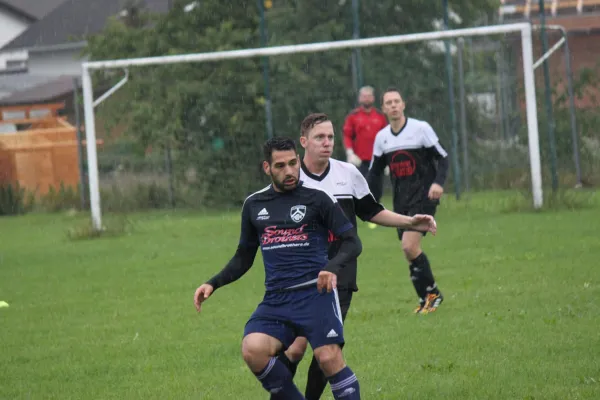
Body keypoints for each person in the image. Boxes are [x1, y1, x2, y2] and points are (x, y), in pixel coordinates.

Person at [273, 113, 438, 400]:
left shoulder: (347, 173)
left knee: (327, 351)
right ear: (303, 142)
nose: (327, 143)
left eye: (331, 137)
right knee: (295, 348)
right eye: (319, 137)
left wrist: (411, 222)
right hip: (302, 276)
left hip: (341, 275)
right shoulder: (291, 181)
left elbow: (372, 211)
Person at [194, 137, 363, 400]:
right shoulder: (254, 204)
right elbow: (244, 256)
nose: (289, 171)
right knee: (253, 348)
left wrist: (331, 267)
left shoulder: (318, 199)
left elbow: (352, 242)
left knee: (328, 357)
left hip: (315, 295)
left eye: (293, 163)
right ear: (267, 167)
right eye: (281, 165)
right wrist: (212, 283)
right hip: (277, 298)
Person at [367, 87, 449, 314]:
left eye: (397, 101)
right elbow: (374, 173)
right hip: (401, 202)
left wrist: (438, 183)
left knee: (409, 245)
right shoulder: (382, 138)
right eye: (388, 103)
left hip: (424, 198)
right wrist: (368, 200)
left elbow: (443, 158)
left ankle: (433, 296)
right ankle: (426, 298)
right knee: (409, 251)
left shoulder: (420, 129)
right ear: (383, 109)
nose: (393, 105)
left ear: (403, 105)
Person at [343, 86, 389, 177]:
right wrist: (350, 153)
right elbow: (347, 135)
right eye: (364, 96)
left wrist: (387, 158)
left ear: (373, 98)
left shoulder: (380, 116)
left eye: (369, 96)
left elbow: (386, 138)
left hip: (377, 160)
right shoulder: (353, 116)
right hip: (359, 161)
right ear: (360, 98)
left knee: (376, 189)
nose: (367, 99)